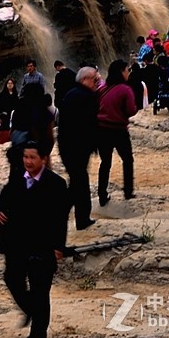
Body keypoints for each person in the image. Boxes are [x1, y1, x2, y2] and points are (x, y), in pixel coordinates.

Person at [0, 142, 71, 338]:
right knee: (12, 279)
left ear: (43, 159)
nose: (28, 161)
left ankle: (38, 331)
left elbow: (60, 219)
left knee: (40, 287)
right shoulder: (18, 178)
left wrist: (58, 246)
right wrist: (0, 212)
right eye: (25, 157)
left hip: (43, 243)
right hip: (17, 241)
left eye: (32, 158)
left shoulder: (56, 184)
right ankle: (30, 309)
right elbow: (4, 198)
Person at [58, 66, 100, 230]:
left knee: (79, 182)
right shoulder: (82, 96)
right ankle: (63, 214)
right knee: (78, 184)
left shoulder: (75, 94)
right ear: (84, 80)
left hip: (71, 147)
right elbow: (86, 124)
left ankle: (82, 218)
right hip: (75, 149)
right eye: (95, 79)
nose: (98, 82)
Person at [97, 59, 138, 206]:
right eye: (127, 70)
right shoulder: (125, 89)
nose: (128, 73)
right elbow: (131, 110)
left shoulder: (102, 88)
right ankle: (128, 191)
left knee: (105, 162)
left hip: (102, 130)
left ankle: (102, 194)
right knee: (127, 160)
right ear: (121, 72)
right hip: (119, 130)